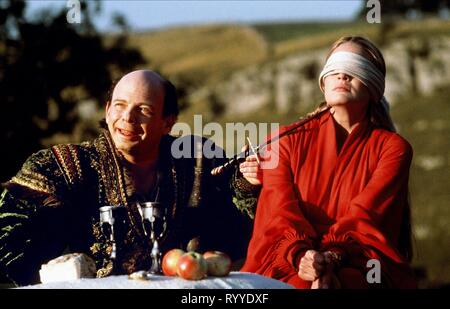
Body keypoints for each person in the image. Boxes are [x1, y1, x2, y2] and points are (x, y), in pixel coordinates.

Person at [0, 70, 252, 286]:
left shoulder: (196, 158)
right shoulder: (64, 166)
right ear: (108, 110)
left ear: (168, 122)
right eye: (119, 105)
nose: (128, 117)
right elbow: (9, 236)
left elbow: (243, 213)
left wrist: (249, 180)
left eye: (143, 109)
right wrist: (53, 274)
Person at [239, 36, 417, 288]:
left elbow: (367, 219)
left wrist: (331, 259)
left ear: (374, 86)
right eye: (336, 68)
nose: (342, 75)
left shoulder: (393, 149)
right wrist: (302, 255)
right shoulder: (282, 141)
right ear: (324, 81)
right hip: (288, 260)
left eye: (354, 68)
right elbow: (280, 212)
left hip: (359, 261)